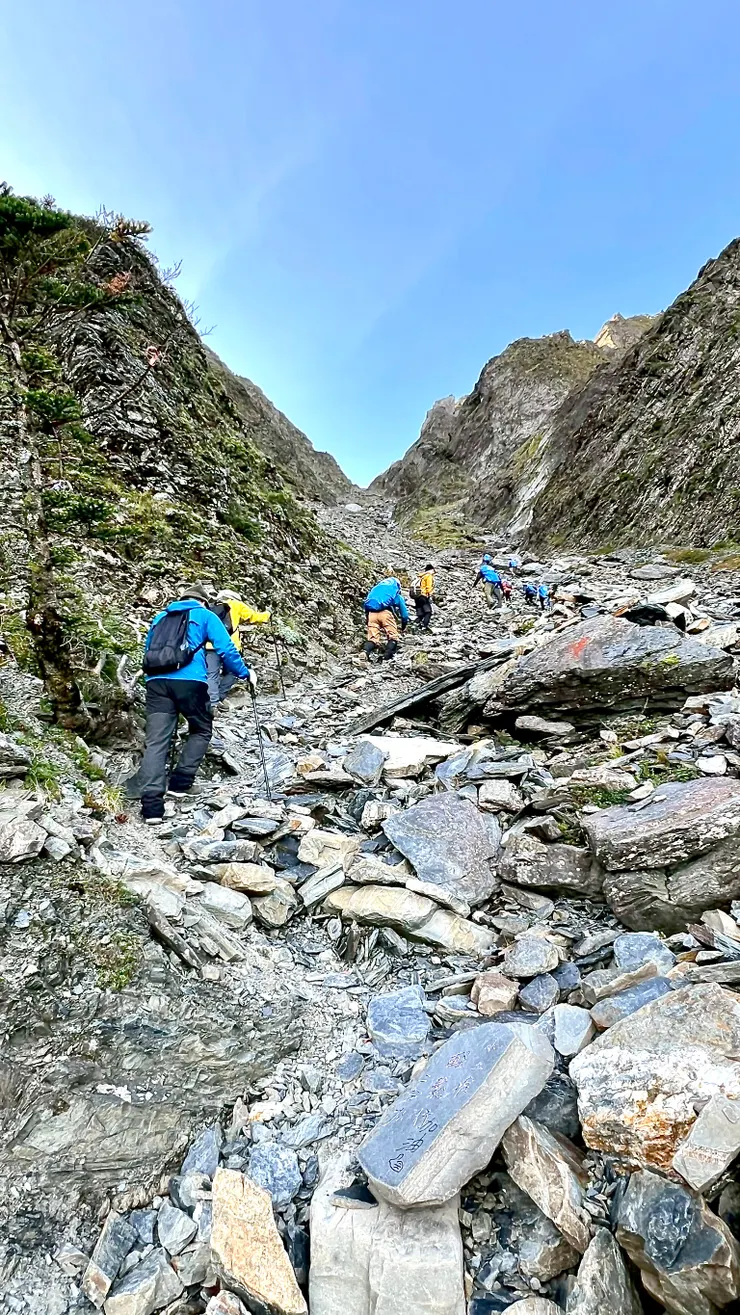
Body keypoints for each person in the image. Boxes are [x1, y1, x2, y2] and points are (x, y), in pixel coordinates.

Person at [137, 584, 255, 823]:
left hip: (156, 683)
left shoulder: (160, 617)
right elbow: (225, 649)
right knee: (201, 729)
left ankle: (151, 808)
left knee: (156, 741)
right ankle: (180, 783)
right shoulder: (205, 615)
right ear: (203, 601)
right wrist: (245, 673)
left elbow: (149, 650)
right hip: (191, 683)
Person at [207, 589, 270, 706]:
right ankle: (219, 696)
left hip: (210, 646)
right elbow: (254, 617)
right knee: (233, 672)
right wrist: (267, 615)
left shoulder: (210, 607)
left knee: (212, 674)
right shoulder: (236, 605)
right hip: (230, 646)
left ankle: (212, 704)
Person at [363, 576, 409, 660]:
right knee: (393, 637)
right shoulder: (396, 596)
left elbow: (367, 605)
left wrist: (367, 620)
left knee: (373, 638)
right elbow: (404, 615)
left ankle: (365, 652)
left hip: (371, 614)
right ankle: (386, 658)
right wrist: (403, 626)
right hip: (386, 614)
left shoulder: (376, 590)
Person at [413, 564, 435, 630]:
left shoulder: (421, 576)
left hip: (417, 596)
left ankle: (415, 625)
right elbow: (428, 586)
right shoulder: (428, 576)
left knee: (420, 613)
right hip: (423, 596)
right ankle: (424, 627)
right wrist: (430, 594)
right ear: (432, 570)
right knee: (428, 612)